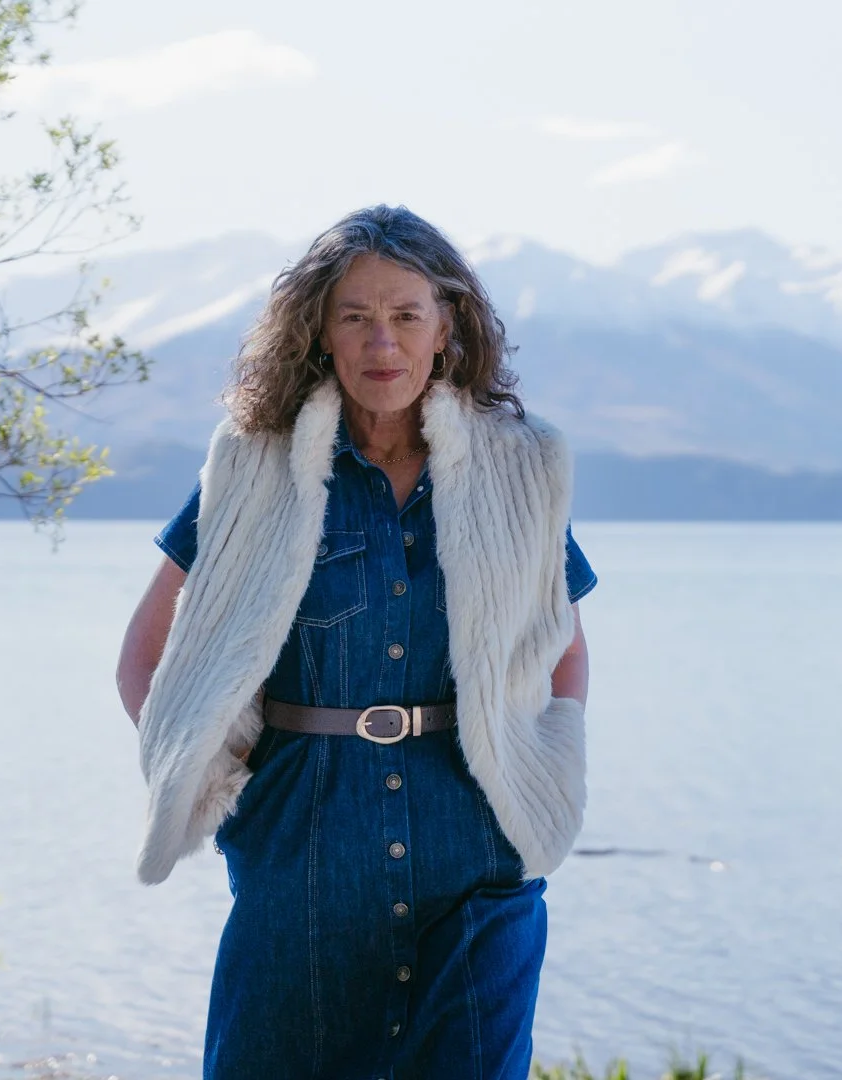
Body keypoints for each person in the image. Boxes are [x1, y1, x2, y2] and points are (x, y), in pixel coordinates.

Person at [115, 204, 597, 1080]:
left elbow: (563, 641)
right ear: (321, 334)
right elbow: (146, 652)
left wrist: (548, 763)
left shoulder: (520, 470)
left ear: (446, 328)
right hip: (299, 846)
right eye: (356, 317)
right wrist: (221, 783)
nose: (384, 343)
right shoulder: (254, 468)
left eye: (407, 316)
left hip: (479, 842)